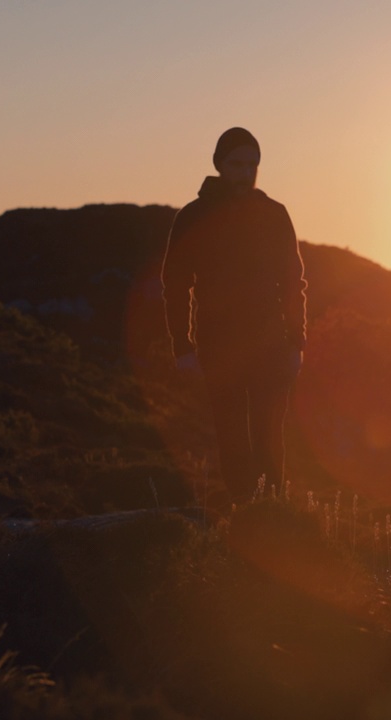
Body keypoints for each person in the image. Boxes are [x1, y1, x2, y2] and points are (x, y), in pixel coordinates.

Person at [162, 127, 307, 505]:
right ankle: (246, 510)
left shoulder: (274, 214)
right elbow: (175, 285)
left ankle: (272, 513)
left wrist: (296, 341)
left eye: (253, 165)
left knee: (268, 433)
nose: (246, 172)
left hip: (271, 342)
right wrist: (183, 346)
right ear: (219, 165)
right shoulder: (193, 217)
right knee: (230, 433)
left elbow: (293, 281)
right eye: (237, 164)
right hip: (218, 343)